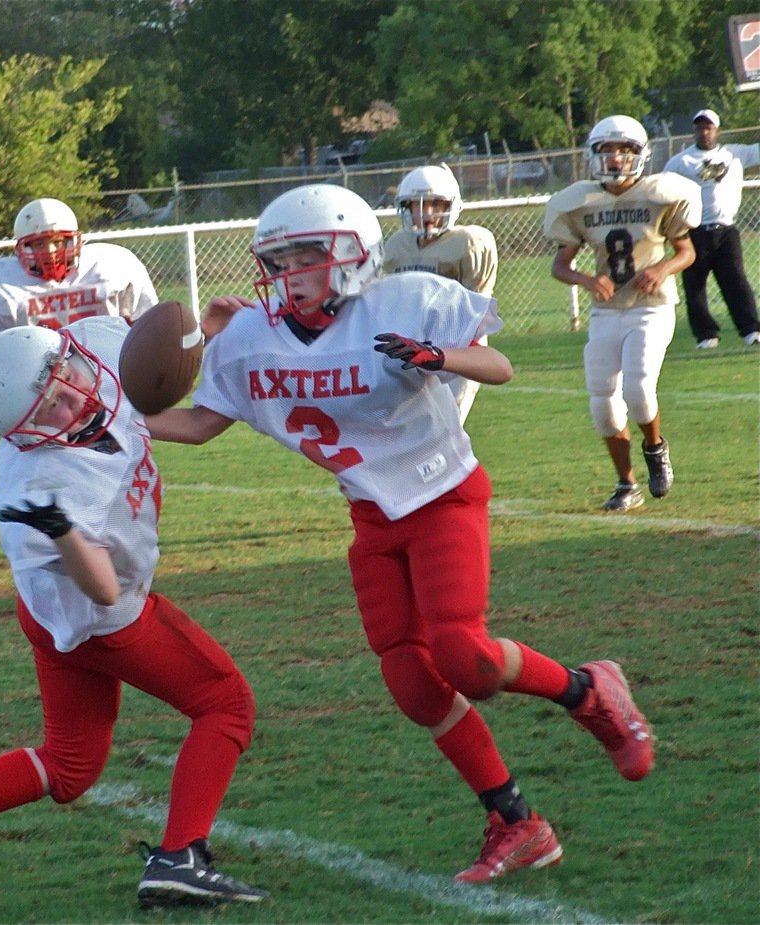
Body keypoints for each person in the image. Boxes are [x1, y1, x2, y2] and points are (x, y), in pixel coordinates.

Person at [145, 183, 655, 884]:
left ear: (352, 254)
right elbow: (203, 423)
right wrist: (122, 424)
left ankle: (587, 688)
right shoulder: (250, 337)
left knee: (465, 656)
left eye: (307, 254)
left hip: (443, 494)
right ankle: (517, 819)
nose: (291, 271)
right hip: (372, 515)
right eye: (280, 257)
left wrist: (436, 357)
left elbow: (498, 365)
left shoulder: (403, 299)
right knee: (412, 681)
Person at [0, 317, 267, 915]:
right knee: (226, 705)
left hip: (52, 620)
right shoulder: (42, 483)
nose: (72, 397)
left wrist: (196, 336)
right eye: (48, 406)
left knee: (71, 768)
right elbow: (100, 590)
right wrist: (64, 531)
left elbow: (152, 362)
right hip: (107, 618)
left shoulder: (97, 349)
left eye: (65, 375)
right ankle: (180, 858)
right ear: (22, 433)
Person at [544, 115, 701, 512]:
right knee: (602, 401)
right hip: (606, 311)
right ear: (594, 155)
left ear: (640, 154)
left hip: (652, 306)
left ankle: (654, 447)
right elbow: (560, 266)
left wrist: (661, 268)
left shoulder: (659, 195)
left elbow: (687, 252)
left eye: (625, 150)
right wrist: (586, 280)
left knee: (638, 389)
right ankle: (626, 483)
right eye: (608, 150)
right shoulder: (580, 203)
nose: (616, 158)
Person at [383, 163, 498, 422]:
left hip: (458, 345)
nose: (427, 213)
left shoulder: (468, 242)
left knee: (445, 426)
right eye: (418, 205)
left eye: (436, 204)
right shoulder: (397, 246)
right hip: (412, 343)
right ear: (406, 207)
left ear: (452, 206)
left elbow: (477, 310)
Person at [0, 197, 157, 335]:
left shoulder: (111, 264)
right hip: (36, 377)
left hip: (109, 366)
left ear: (75, 241)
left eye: (58, 242)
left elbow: (140, 319)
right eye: (39, 244)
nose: (51, 251)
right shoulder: (0, 282)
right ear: (22, 247)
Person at [663, 109, 760, 349]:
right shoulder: (681, 161)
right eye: (699, 128)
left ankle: (751, 329)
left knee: (736, 281)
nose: (704, 132)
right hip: (695, 231)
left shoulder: (734, 154)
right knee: (695, 285)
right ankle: (706, 334)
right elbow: (663, 191)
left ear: (717, 130)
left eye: (708, 127)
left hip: (726, 230)